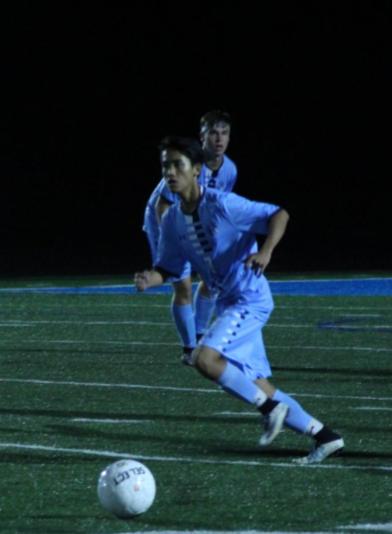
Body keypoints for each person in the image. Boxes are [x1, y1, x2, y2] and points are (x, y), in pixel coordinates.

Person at [135, 135, 345, 463]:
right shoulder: (172, 219)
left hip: (250, 299)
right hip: (229, 302)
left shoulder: (223, 205)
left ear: (197, 170)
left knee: (204, 359)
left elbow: (279, 214)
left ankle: (269, 409)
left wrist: (266, 251)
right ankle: (324, 435)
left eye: (178, 165)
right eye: (165, 166)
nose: (170, 173)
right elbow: (170, 266)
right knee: (253, 382)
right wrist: (153, 277)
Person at [142, 111, 237, 364]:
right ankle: (188, 349)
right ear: (202, 137)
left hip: (196, 222)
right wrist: (173, 240)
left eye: (224, 133)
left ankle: (199, 335)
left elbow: (217, 205)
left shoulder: (230, 170)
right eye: (213, 133)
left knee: (212, 280)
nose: (219, 139)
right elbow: (162, 205)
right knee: (182, 284)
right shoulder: (187, 164)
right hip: (165, 222)